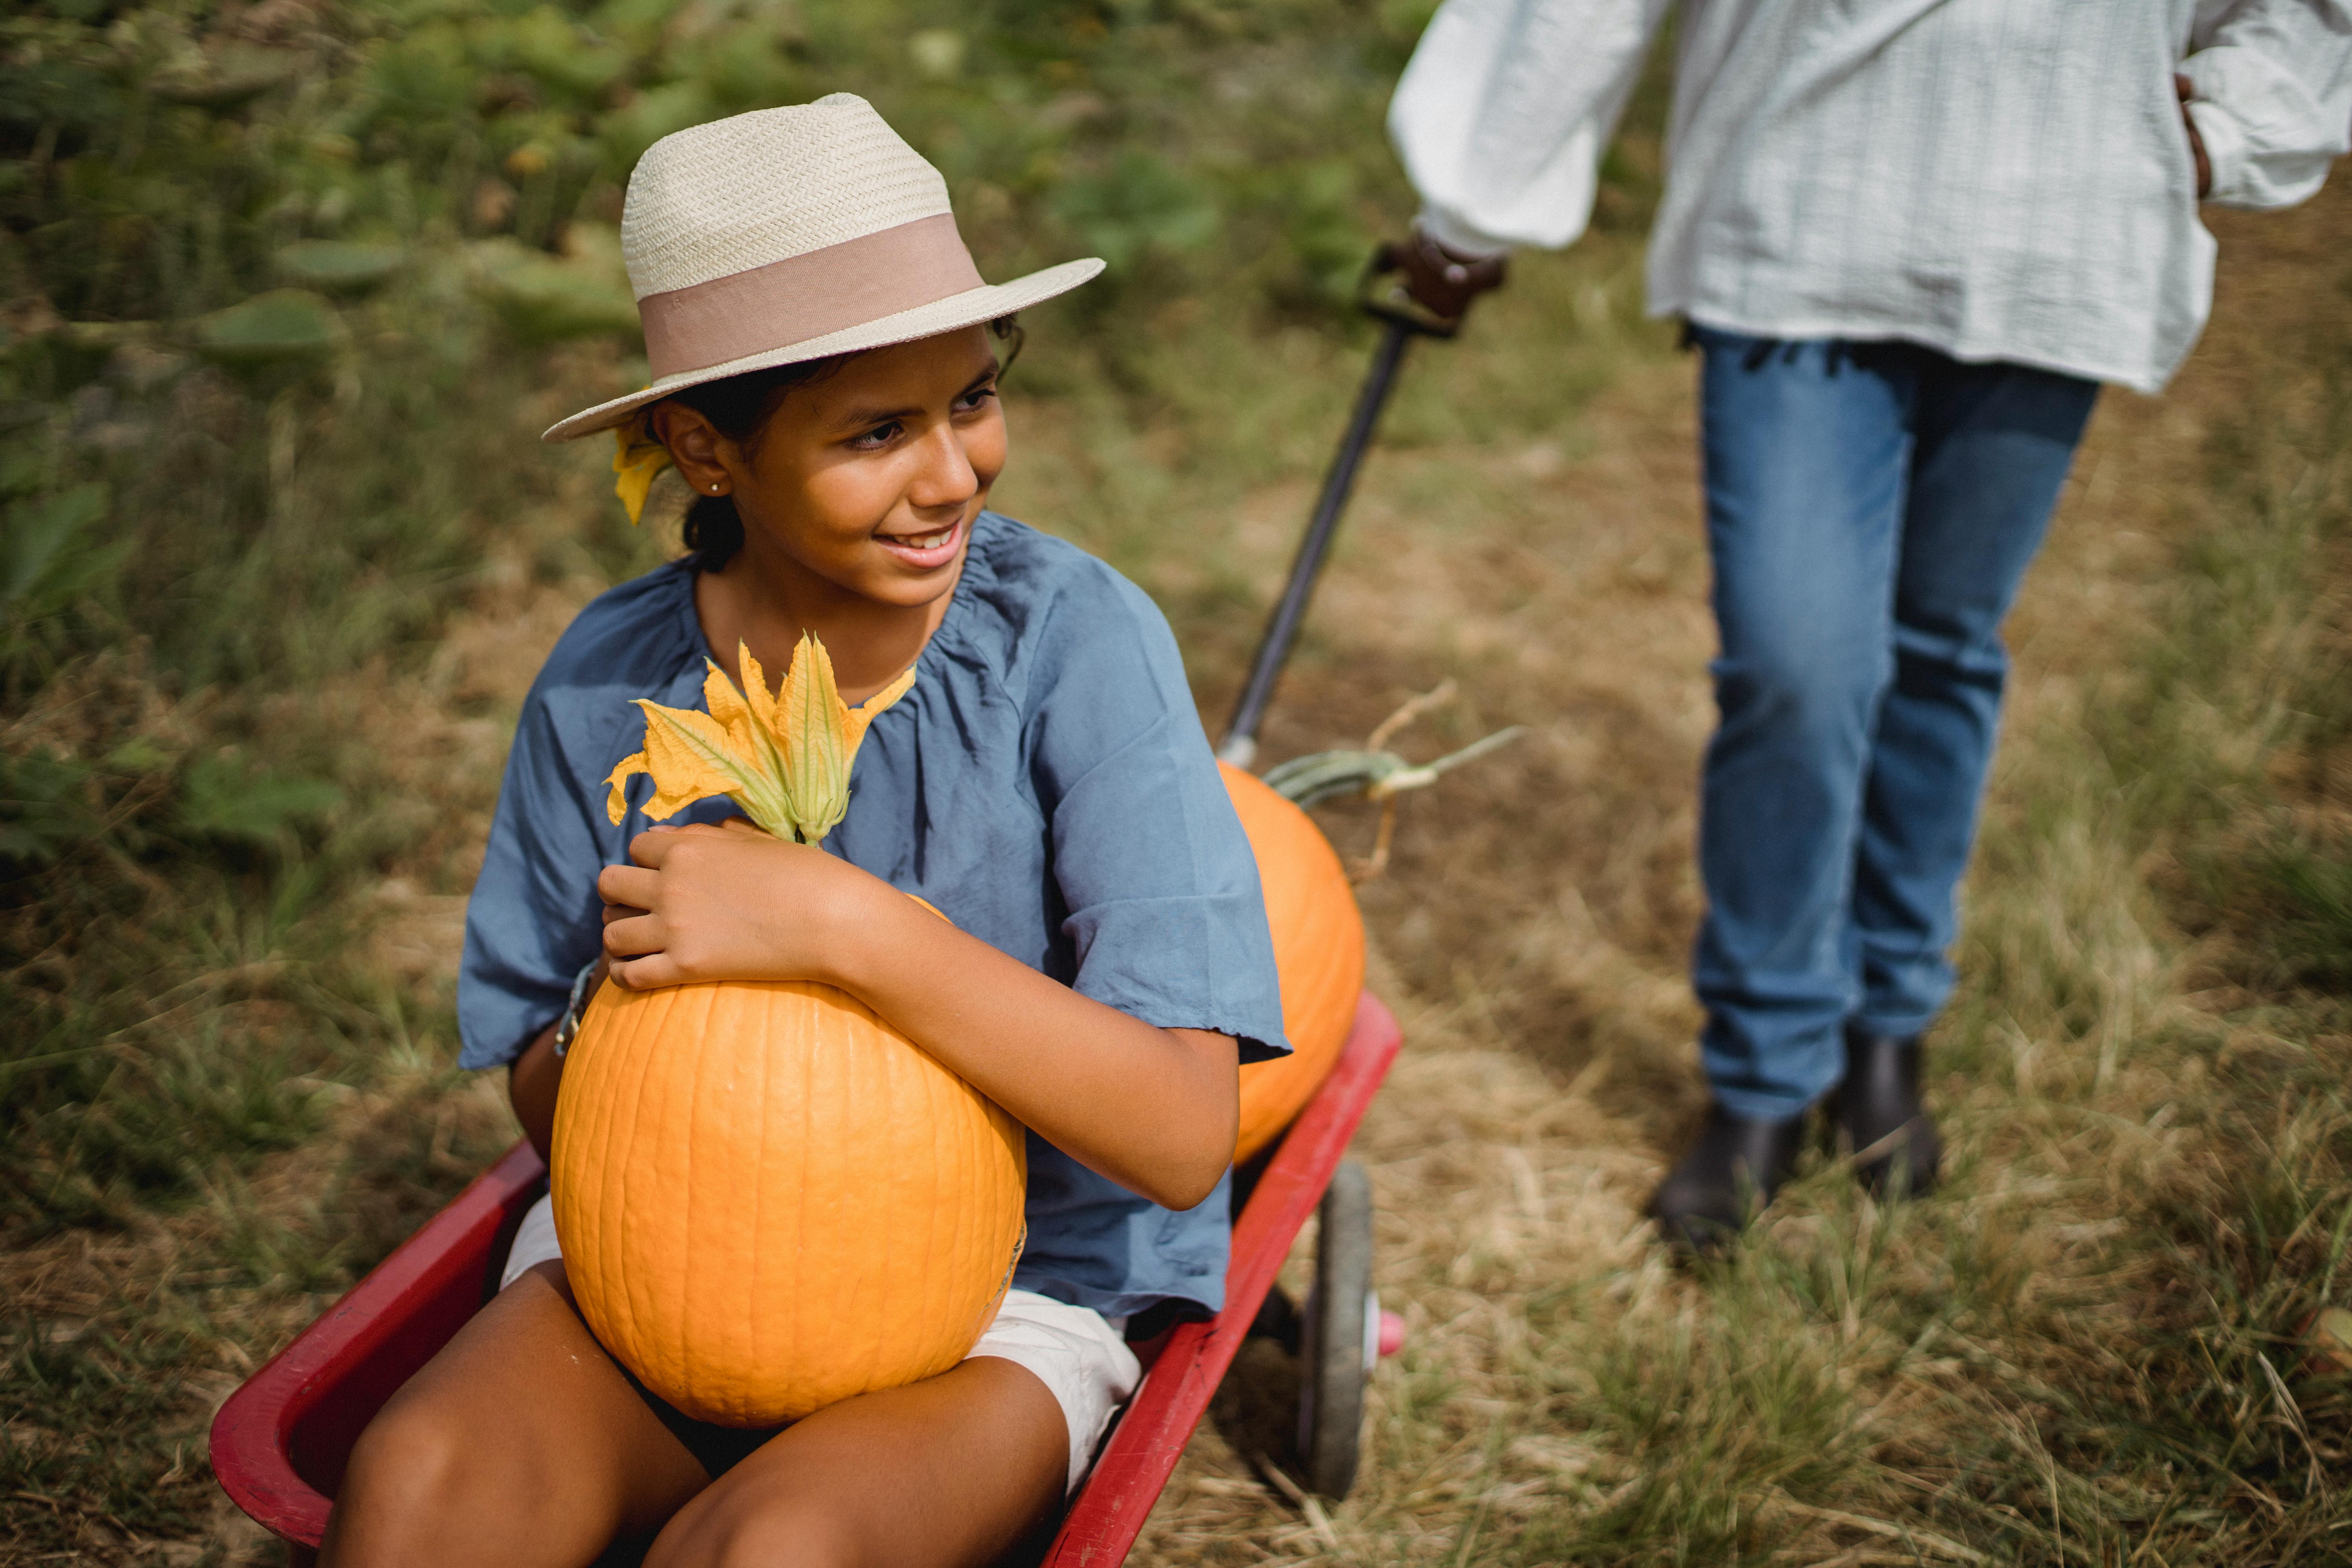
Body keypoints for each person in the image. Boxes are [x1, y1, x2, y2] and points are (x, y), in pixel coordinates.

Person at [320, 96, 1290, 1566]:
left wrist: (845, 931)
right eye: (877, 431)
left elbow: (1178, 1132)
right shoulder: (607, 684)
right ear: (707, 450)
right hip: (663, 1260)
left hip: (1006, 1294)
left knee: (778, 1553)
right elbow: (538, 1063)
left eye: (971, 398)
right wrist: (671, 1065)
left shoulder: (1075, 646)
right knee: (420, 1484)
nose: (954, 471)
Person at [1383, 0, 2352, 1250]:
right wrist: (1473, 201)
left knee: (1942, 651)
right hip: (1798, 225)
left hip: (2063, 238)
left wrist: (2221, 131)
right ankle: (1768, 1069)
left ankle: (1888, 1022)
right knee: (1799, 669)